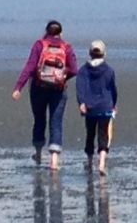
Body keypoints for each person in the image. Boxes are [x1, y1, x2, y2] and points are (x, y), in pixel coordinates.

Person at [12, 20, 79, 171]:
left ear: (46, 31)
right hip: (58, 90)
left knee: (39, 119)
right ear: (61, 33)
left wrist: (18, 88)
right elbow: (74, 70)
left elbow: (30, 67)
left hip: (38, 87)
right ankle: (54, 161)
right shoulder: (66, 47)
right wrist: (62, 77)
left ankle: (38, 154)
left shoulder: (39, 45)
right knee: (56, 122)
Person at [76, 40, 118, 176]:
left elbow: (80, 88)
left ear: (90, 53)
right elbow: (113, 90)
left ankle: (89, 162)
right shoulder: (109, 70)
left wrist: (81, 102)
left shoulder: (83, 70)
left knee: (90, 134)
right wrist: (113, 105)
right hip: (105, 106)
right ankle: (101, 164)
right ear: (104, 53)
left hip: (90, 108)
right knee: (103, 135)